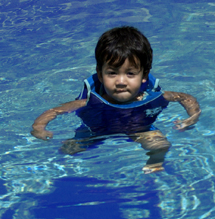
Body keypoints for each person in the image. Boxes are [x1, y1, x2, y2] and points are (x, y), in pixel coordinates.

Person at [31, 26, 201, 173]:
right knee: (68, 149)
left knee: (161, 145)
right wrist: (39, 127)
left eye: (130, 74)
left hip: (138, 128)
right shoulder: (91, 101)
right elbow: (56, 110)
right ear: (100, 73)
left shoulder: (151, 96)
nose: (120, 82)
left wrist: (192, 117)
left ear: (144, 76)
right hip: (95, 131)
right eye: (112, 73)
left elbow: (185, 97)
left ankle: (155, 164)